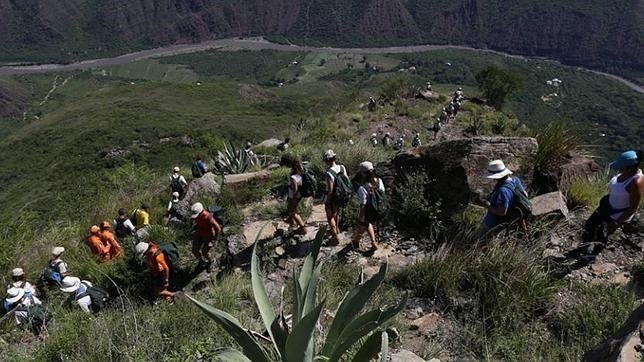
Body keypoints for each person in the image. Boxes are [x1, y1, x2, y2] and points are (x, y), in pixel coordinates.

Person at [583, 150, 643, 242]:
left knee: (601, 234)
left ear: (629, 168)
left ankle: (594, 252)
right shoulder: (625, 173)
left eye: (621, 167)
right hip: (607, 206)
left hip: (616, 214)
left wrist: (616, 223)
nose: (618, 170)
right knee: (590, 224)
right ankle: (586, 242)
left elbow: (633, 208)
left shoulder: (635, 183)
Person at [477, 160, 528, 238]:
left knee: (479, 239)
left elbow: (502, 212)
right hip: (512, 218)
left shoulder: (502, 190)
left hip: (494, 222)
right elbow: (525, 194)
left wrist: (487, 205)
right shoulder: (515, 180)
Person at [352, 162, 385, 251]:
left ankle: (369, 242)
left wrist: (361, 216)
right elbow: (383, 193)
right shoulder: (379, 181)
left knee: (363, 224)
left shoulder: (362, 188)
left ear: (362, 173)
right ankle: (356, 241)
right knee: (365, 225)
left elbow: (363, 203)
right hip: (380, 208)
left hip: (369, 210)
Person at [323, 150, 348, 246]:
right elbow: (347, 180)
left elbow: (330, 189)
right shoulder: (342, 167)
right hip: (341, 195)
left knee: (330, 216)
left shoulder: (329, 173)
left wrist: (328, 201)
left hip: (333, 196)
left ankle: (335, 236)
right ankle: (336, 229)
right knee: (336, 213)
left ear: (327, 160)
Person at [190, 202, 221, 271]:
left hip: (208, 234)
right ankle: (202, 262)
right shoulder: (197, 215)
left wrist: (214, 241)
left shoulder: (208, 216)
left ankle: (211, 261)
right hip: (199, 232)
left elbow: (218, 228)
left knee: (205, 252)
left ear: (201, 212)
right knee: (194, 250)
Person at [286, 158, 307, 235]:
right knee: (291, 211)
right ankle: (292, 223)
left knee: (293, 212)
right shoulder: (300, 174)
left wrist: (294, 199)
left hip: (294, 196)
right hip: (298, 195)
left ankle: (303, 228)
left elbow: (295, 189)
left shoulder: (293, 177)